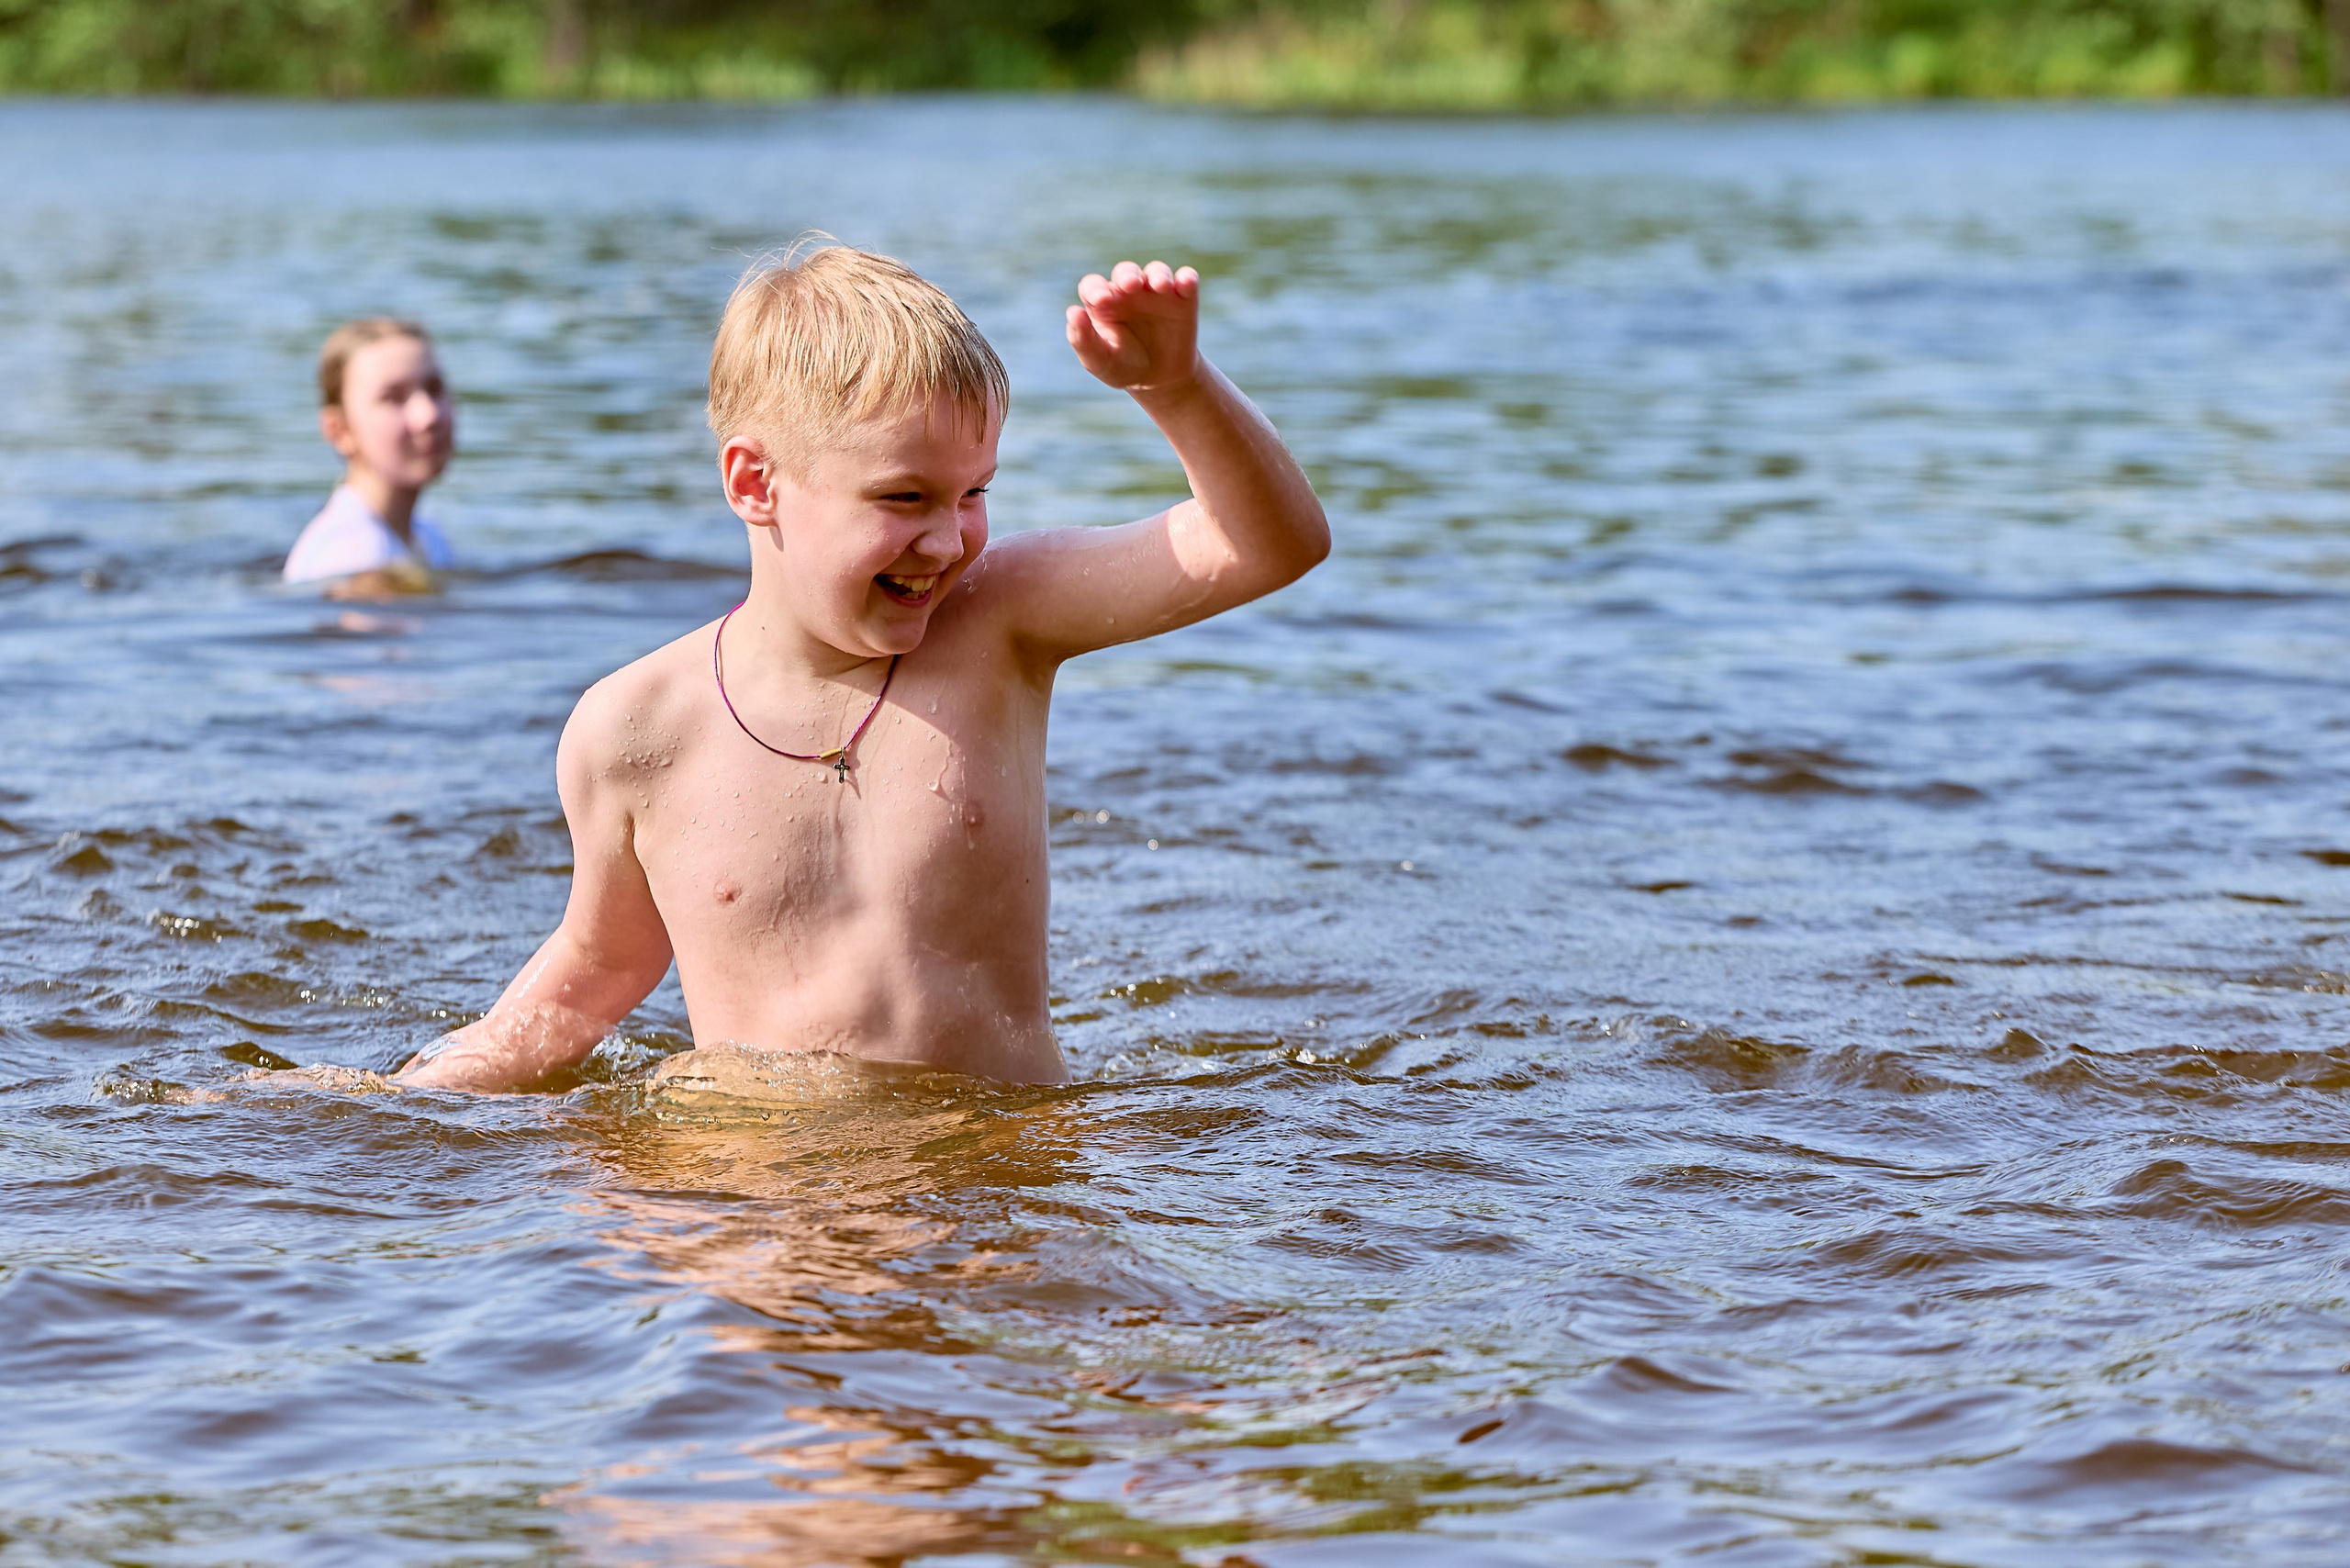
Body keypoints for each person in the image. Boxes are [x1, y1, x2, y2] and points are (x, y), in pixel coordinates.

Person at [395, 245, 1327, 1092]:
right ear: (755, 485)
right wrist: (396, 1105)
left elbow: (1271, 546)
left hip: (994, 1180)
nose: (949, 537)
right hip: (765, 1203)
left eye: (974, 493)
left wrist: (1177, 387)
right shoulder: (634, 728)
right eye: (903, 497)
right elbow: (594, 971)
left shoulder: (1004, 621)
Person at [283, 318, 455, 597]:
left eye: (434, 389)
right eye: (392, 398)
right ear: (339, 431)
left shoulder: (427, 536)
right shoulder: (354, 556)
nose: (429, 416)